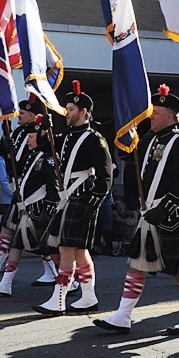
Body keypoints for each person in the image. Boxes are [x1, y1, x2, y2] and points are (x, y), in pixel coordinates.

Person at [95, 85, 179, 335]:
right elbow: (131, 157)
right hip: (149, 212)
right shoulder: (151, 139)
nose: (151, 116)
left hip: (173, 215)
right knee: (136, 264)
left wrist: (164, 209)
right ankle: (123, 315)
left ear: (171, 117)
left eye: (157, 112)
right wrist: (123, 133)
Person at [33, 80, 113, 315]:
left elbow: (105, 177)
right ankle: (89, 297)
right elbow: (45, 148)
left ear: (83, 112)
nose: (66, 113)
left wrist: (93, 203)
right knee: (78, 251)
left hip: (82, 196)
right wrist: (43, 129)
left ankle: (58, 300)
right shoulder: (68, 135)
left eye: (70, 110)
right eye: (67, 109)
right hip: (68, 197)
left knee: (66, 248)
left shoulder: (94, 139)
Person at [0, 102, 62, 295]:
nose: (18, 116)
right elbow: (18, 165)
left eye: (22, 113)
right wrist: (5, 147)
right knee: (14, 238)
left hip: (36, 204)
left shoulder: (46, 157)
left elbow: (52, 185)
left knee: (44, 246)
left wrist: (49, 207)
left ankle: (66, 280)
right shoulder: (27, 146)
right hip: (22, 197)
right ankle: (0, 275)